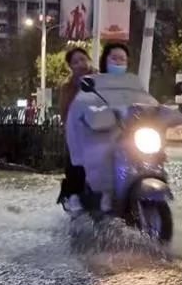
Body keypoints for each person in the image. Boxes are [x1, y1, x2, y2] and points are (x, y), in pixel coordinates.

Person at [65, 42, 154, 212]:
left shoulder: (132, 84)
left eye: (123, 59)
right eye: (114, 58)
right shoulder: (94, 84)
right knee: (100, 160)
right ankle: (102, 197)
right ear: (105, 60)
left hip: (129, 135)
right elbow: (82, 109)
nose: (119, 62)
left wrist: (156, 112)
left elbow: (147, 102)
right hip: (101, 135)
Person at [57, 47, 93, 212]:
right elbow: (65, 113)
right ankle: (73, 195)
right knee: (75, 160)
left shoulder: (103, 79)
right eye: (75, 62)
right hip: (79, 133)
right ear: (70, 67)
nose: (80, 64)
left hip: (104, 130)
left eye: (83, 59)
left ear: (89, 60)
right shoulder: (68, 87)